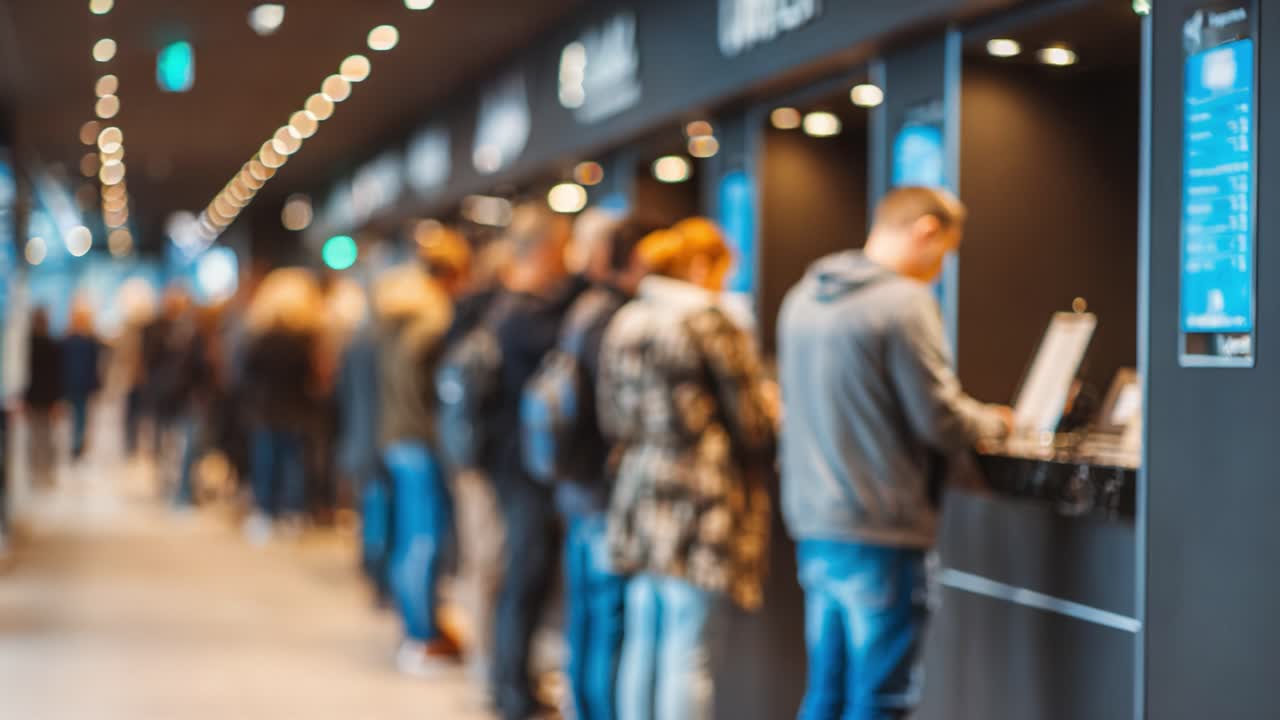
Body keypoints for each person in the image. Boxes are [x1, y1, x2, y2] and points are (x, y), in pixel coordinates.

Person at [777, 187, 1012, 720]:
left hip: (815, 521)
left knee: (827, 691)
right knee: (881, 697)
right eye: (946, 252)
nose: (940, 268)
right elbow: (939, 418)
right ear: (926, 231)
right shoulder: (905, 302)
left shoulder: (803, 297)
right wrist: (995, 421)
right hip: (881, 526)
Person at [598, 219, 776, 720]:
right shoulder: (710, 322)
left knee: (643, 635)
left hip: (640, 487)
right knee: (688, 647)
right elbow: (752, 425)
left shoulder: (628, 320)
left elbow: (610, 416)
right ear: (701, 265)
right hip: (700, 497)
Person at [551, 213, 656, 720]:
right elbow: (621, 413)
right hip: (603, 486)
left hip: (576, 482)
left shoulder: (585, 308)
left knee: (588, 618)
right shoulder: (621, 318)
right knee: (608, 623)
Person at [485, 205, 586, 720]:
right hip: (521, 466)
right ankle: (509, 689)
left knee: (525, 574)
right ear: (545, 248)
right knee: (525, 575)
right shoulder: (523, 312)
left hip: (515, 463)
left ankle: (510, 681)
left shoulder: (504, 305)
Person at [241, 269, 324, 542]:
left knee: (268, 463)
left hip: (267, 412)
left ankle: (266, 512)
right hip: (297, 412)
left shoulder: (262, 340)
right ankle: (292, 513)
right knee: (293, 464)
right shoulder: (306, 342)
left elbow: (247, 376)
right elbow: (314, 380)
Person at [23, 308, 63, 488]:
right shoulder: (45, 344)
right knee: (44, 437)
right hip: (43, 397)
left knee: (38, 436)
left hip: (36, 397)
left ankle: (38, 471)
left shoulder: (33, 344)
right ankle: (42, 472)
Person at [61, 302, 103, 461]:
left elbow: (94, 366)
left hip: (80, 384)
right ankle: (75, 444)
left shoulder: (87, 341)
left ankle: (77, 444)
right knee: (77, 417)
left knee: (80, 417)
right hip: (74, 383)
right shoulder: (72, 340)